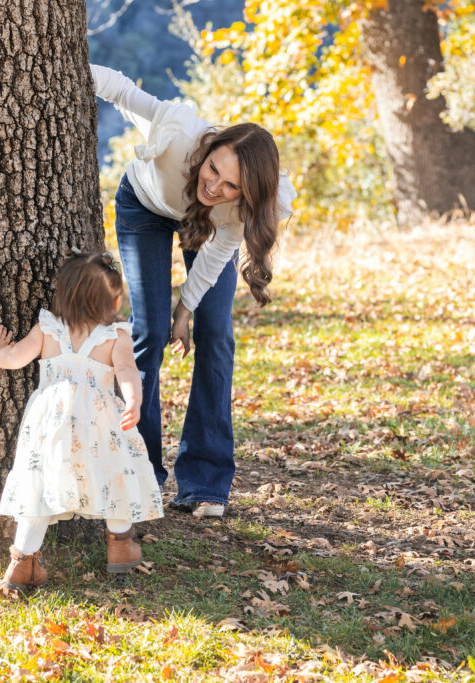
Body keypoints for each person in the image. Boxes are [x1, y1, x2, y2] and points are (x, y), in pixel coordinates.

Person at [91, 64, 296, 518]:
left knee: (215, 334)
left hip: (204, 232)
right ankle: (139, 474)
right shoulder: (178, 130)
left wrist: (186, 309)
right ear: (209, 148)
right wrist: (65, 69)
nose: (214, 186)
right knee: (147, 332)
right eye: (214, 169)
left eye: (230, 186)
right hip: (144, 207)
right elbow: (121, 89)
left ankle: (204, 481)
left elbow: (215, 258)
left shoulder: (239, 206)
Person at [0, 251, 164, 592]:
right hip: (100, 424)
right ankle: (120, 544)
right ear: (113, 299)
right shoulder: (116, 336)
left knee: (39, 486)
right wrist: (134, 400)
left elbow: (14, 358)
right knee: (114, 476)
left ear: (63, 294)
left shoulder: (47, 329)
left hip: (50, 423)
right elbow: (128, 371)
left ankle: (21, 565)